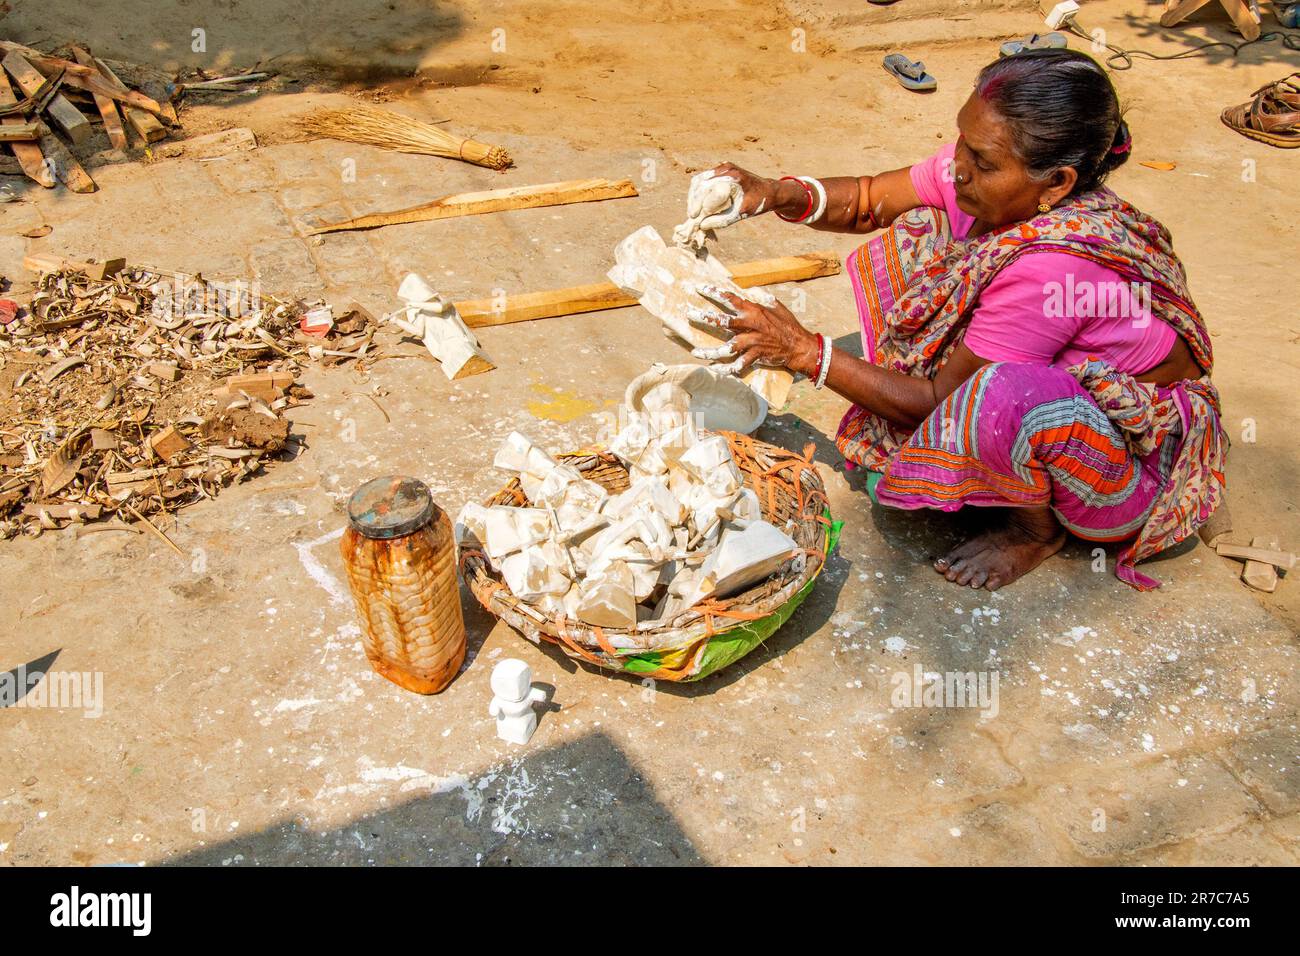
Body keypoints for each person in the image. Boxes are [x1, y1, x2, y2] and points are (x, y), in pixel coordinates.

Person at [688, 49, 1226, 591]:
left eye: (983, 161)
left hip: (1123, 470)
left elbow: (944, 401)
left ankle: (1032, 530)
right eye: (963, 142)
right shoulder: (1002, 188)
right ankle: (996, 463)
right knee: (922, 227)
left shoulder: (1052, 271)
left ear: (1058, 183)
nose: (959, 166)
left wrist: (805, 353)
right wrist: (775, 193)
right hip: (1051, 408)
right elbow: (871, 200)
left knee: (1009, 391)